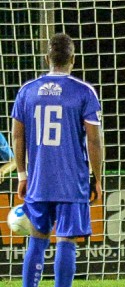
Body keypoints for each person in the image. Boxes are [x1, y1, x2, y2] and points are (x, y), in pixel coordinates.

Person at [12, 33, 103, 287]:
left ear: (46, 59)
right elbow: (93, 141)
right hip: (71, 181)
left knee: (37, 238)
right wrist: (97, 178)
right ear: (73, 59)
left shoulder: (27, 91)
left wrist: (22, 174)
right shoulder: (84, 92)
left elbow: (18, 136)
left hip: (39, 180)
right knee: (66, 241)